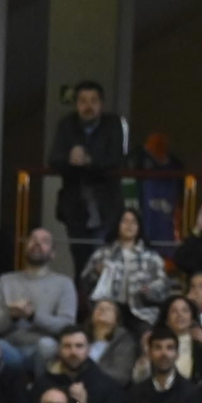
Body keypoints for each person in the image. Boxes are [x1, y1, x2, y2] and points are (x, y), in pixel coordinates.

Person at [48, 80, 126, 273]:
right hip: (76, 206)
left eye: (93, 101)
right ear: (76, 104)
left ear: (101, 104)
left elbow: (117, 158)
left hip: (105, 205)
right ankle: (82, 301)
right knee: (80, 260)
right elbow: (53, 158)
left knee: (101, 261)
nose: (88, 106)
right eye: (83, 101)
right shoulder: (67, 125)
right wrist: (70, 158)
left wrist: (89, 161)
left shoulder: (113, 124)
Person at [0, 228, 79, 373]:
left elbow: (67, 326)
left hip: (42, 349)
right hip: (9, 347)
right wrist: (12, 316)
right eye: (33, 239)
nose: (37, 243)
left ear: (53, 253)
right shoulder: (6, 280)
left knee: (46, 345)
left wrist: (33, 316)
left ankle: (42, 392)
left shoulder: (64, 283)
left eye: (44, 241)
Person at [80, 208, 173, 323]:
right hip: (109, 312)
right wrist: (95, 273)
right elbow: (84, 281)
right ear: (117, 225)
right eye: (125, 221)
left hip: (143, 313)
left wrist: (150, 290)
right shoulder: (102, 254)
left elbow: (165, 285)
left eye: (133, 222)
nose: (129, 226)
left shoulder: (152, 257)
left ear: (139, 227)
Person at [41, 326, 124, 403]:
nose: (73, 352)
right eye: (67, 346)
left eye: (79, 346)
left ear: (88, 349)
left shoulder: (107, 385)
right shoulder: (45, 382)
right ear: (59, 349)